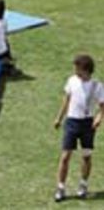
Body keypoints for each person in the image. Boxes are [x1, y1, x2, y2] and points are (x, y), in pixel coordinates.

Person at [52, 55, 104, 202]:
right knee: (65, 156)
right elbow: (66, 100)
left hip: (87, 124)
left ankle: (83, 184)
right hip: (72, 122)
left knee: (86, 156)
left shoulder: (97, 86)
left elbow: (102, 106)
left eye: (77, 68)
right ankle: (61, 187)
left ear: (85, 69)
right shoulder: (72, 81)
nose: (75, 70)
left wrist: (99, 118)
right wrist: (59, 118)